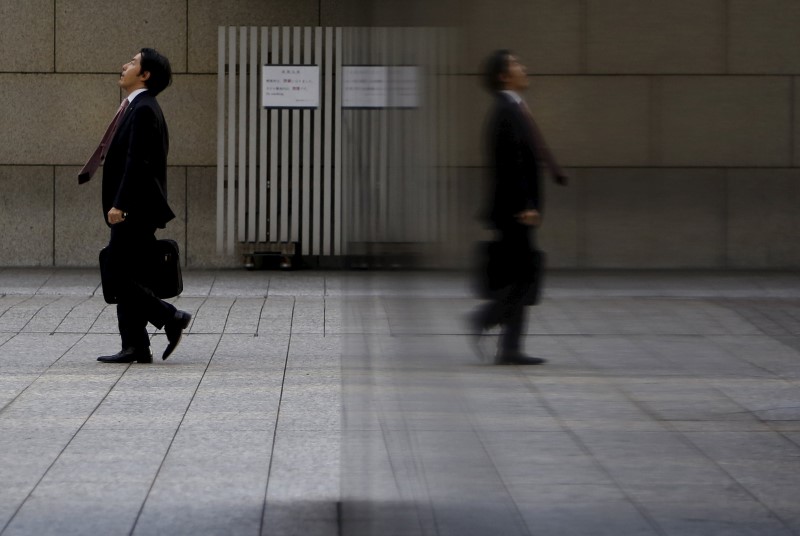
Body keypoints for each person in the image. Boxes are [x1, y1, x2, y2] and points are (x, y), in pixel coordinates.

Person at [83, 48, 191, 364]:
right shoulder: (136, 107)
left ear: (144, 75)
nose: (124, 65)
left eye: (132, 62)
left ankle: (171, 316)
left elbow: (138, 163)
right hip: (137, 207)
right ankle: (135, 345)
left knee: (116, 273)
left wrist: (121, 203)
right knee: (129, 274)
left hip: (135, 209)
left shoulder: (143, 110)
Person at [470, 50, 568, 365]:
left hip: (515, 209)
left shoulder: (514, 108)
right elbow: (511, 165)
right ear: (502, 75)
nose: (523, 67)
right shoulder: (505, 111)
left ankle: (509, 347)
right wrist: (525, 204)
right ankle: (486, 319)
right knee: (523, 276)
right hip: (514, 210)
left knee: (521, 275)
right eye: (515, 64)